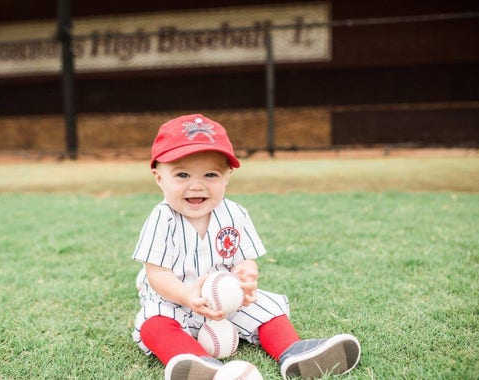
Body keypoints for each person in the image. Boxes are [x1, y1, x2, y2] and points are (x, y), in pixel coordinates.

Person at [132, 114, 361, 379]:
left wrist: (246, 275)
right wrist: (187, 296)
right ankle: (196, 362)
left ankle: (293, 352)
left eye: (210, 174)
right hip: (176, 297)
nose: (196, 185)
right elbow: (158, 274)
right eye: (182, 174)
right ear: (159, 177)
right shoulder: (162, 218)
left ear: (228, 176)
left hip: (226, 300)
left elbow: (244, 260)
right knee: (154, 323)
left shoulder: (235, 214)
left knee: (267, 307)